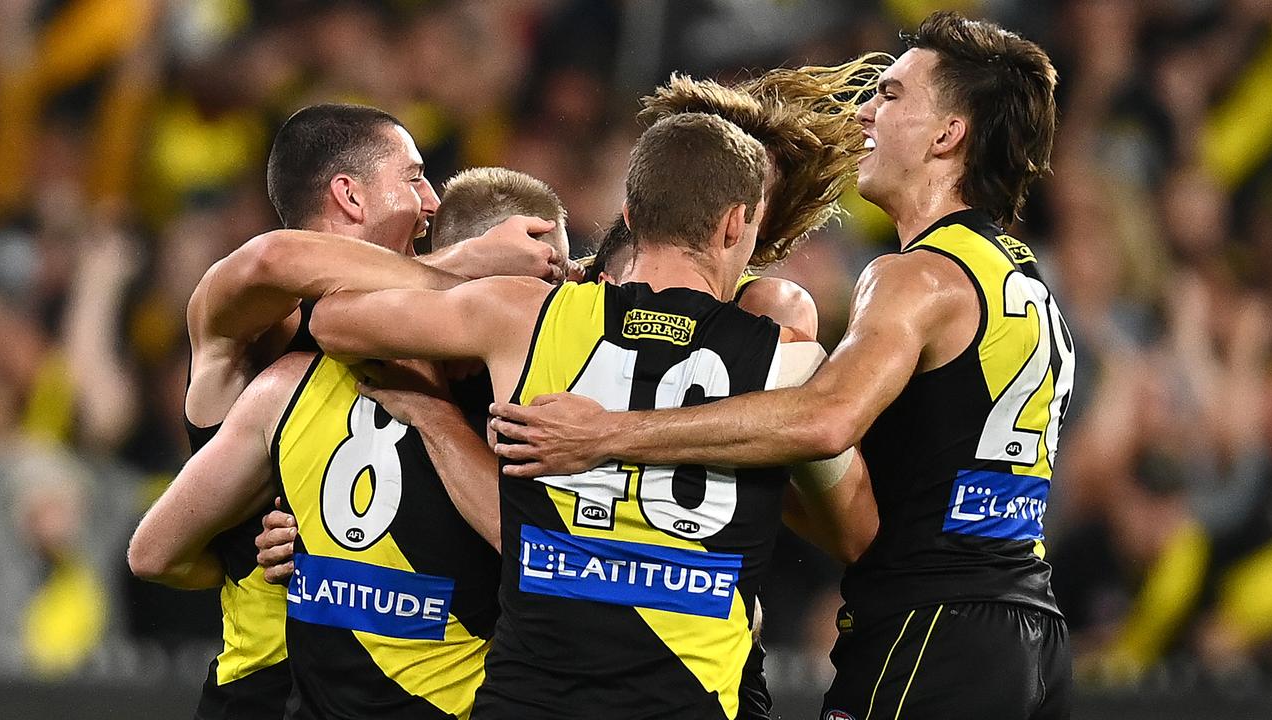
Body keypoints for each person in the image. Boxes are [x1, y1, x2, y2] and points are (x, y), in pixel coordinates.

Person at [489, 11, 1075, 720]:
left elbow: (826, 420)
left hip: (932, 626)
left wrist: (606, 434)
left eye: (890, 96)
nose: (864, 111)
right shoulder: (1022, 280)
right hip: (1028, 631)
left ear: (948, 134)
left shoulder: (912, 276)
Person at [293, 112, 866, 719]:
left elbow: (331, 318)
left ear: (629, 217)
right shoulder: (788, 362)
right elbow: (856, 530)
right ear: (734, 226)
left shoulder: (522, 315)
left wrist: (459, 267)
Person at [159, 102, 564, 720]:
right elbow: (271, 261)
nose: (432, 201)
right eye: (413, 177)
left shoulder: (450, 350)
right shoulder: (261, 333)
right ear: (349, 195)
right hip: (267, 693)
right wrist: (240, 566)